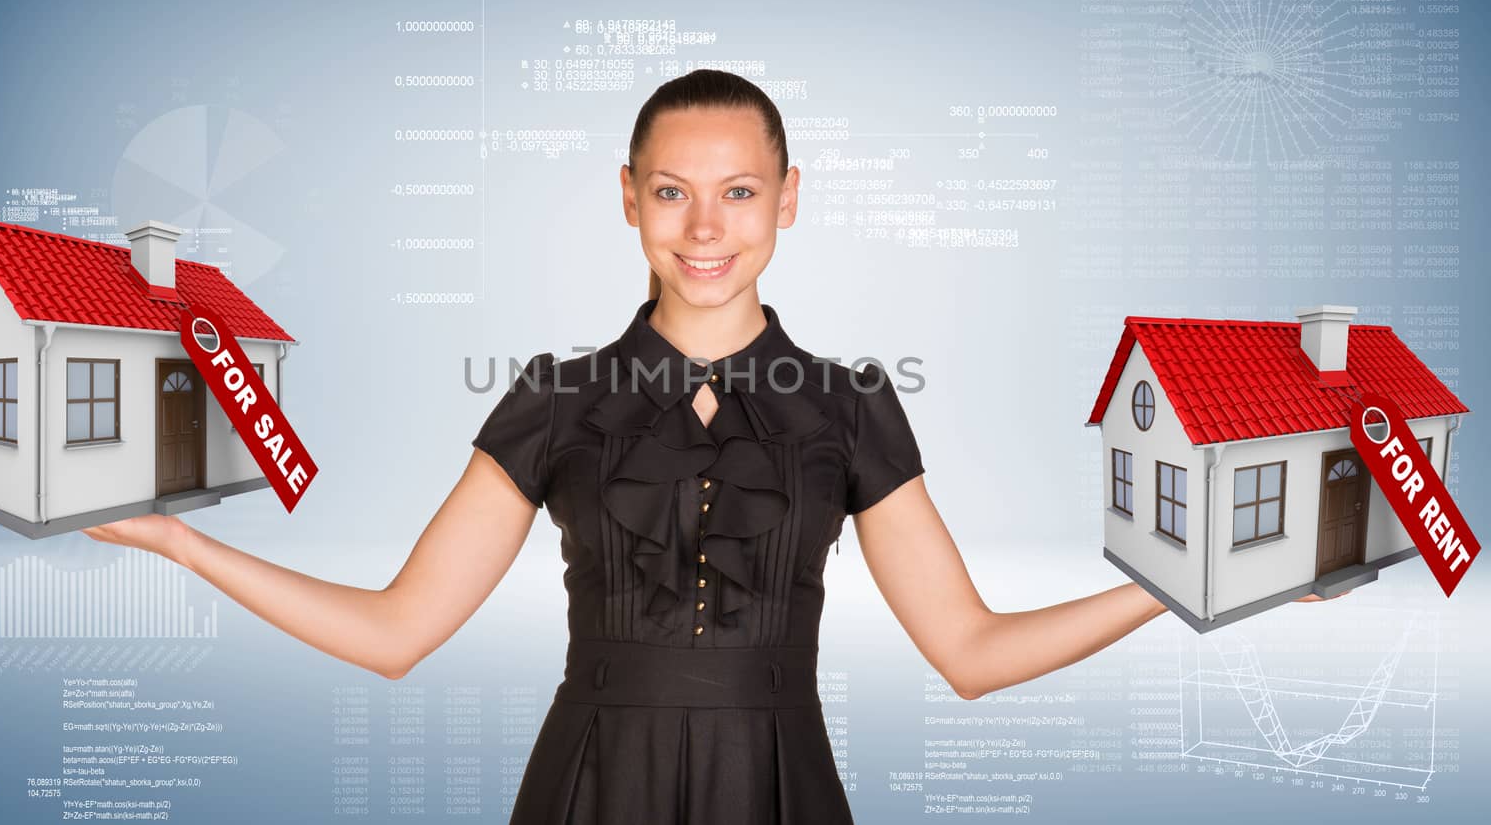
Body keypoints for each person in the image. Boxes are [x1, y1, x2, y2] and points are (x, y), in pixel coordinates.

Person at [82, 68, 1337, 824]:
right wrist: (183, 547)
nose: (705, 226)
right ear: (627, 195)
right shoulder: (555, 399)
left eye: (738, 190)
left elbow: (969, 652)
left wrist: (1173, 587)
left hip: (780, 785)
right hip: (589, 784)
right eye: (673, 189)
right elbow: (396, 633)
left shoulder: (849, 406)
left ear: (788, 199)